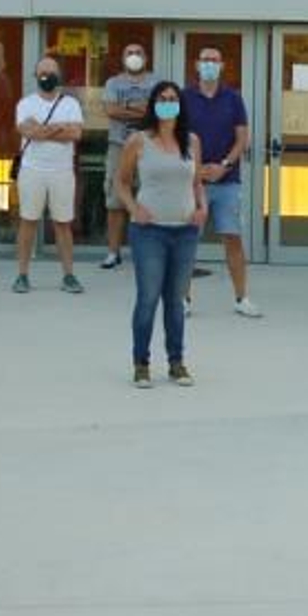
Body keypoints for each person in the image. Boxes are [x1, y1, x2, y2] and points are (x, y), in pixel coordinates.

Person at [115, 82, 206, 388]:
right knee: (148, 298)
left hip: (185, 231)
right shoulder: (138, 141)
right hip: (149, 231)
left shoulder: (191, 141)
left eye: (173, 99)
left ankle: (177, 363)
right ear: (154, 104)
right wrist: (133, 208)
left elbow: (196, 183)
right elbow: (122, 182)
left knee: (176, 301)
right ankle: (141, 363)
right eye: (162, 99)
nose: (168, 103)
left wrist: (201, 207)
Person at [182, 45, 261, 317]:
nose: (209, 64)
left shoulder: (233, 99)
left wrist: (224, 166)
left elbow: (242, 139)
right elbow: (175, 137)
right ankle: (184, 300)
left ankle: (242, 298)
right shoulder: (184, 97)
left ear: (223, 65)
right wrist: (195, 169)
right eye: (205, 59)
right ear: (196, 64)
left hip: (228, 182)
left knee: (233, 240)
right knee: (187, 242)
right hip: (193, 182)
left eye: (214, 60)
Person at [11, 56, 85, 295]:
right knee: (28, 222)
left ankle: (69, 275)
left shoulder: (71, 103)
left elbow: (75, 134)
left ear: (58, 75)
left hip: (62, 172)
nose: (46, 77)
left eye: (51, 72)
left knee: (63, 224)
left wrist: (42, 129)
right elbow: (27, 130)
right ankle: (22, 275)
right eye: (42, 72)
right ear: (35, 76)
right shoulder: (25, 103)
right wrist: (58, 127)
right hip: (32, 171)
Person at [101, 42, 157, 269]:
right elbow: (110, 110)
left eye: (138, 52)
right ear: (123, 57)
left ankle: (148, 253)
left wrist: (126, 107)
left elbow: (155, 111)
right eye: (129, 52)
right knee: (115, 201)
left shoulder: (156, 82)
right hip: (118, 146)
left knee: (149, 199)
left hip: (149, 147)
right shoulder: (113, 83)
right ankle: (113, 253)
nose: (134, 56)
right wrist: (139, 109)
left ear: (146, 57)